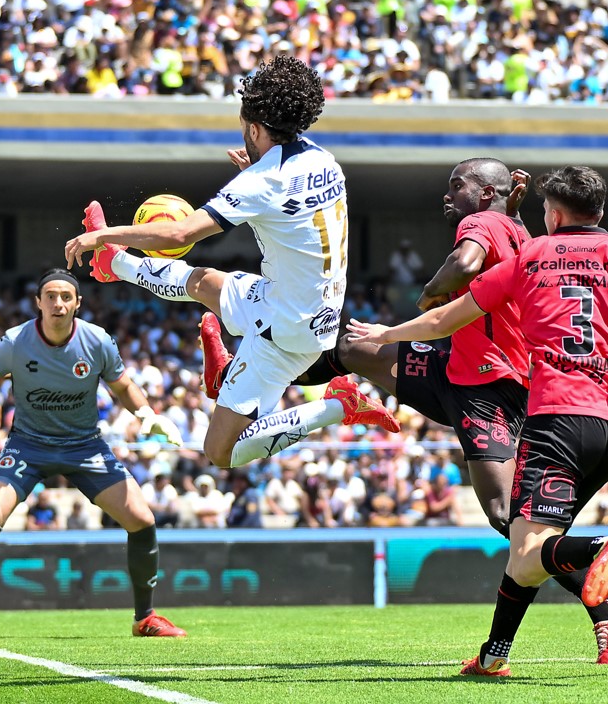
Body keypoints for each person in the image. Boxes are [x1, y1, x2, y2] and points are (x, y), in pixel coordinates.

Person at [346, 165, 608, 677]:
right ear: (599, 211)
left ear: (551, 214)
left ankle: (600, 549)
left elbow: (445, 317)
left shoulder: (531, 256)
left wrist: (386, 334)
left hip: (556, 423)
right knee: (527, 546)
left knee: (527, 553)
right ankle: (493, 656)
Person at [296, 157, 608, 664]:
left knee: (507, 517)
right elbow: (505, 242)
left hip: (487, 389)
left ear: (485, 194)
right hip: (455, 371)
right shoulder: (524, 233)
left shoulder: (479, 223)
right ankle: (266, 378)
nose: (447, 194)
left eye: (456, 185)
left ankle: (603, 607)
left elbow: (465, 263)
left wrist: (430, 294)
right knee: (354, 349)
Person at [63, 55, 399, 472]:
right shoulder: (323, 160)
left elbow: (180, 234)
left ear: (256, 128)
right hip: (298, 305)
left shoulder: (262, 182)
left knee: (220, 452)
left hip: (285, 333)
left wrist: (104, 233)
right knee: (205, 283)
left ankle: (337, 407)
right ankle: (116, 265)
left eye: (245, 127)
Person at [0, 268, 188, 639]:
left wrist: (147, 413)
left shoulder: (97, 341)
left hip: (85, 446)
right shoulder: (16, 341)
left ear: (77, 303)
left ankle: (145, 618)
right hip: (28, 445)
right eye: (50, 296)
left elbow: (124, 385)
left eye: (66, 296)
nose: (58, 303)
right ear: (38, 302)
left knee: (142, 519)